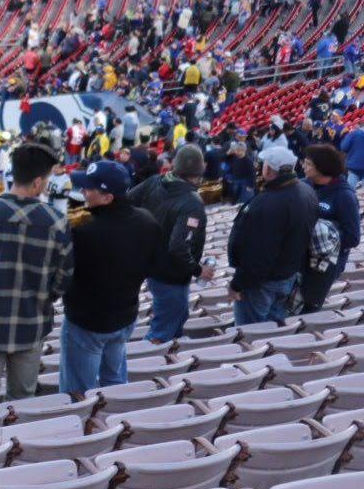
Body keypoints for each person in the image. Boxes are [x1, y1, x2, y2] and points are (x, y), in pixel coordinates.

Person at [0, 141, 73, 407]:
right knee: (23, 403)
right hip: (31, 325)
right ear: (39, 181)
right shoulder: (57, 221)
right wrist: (42, 300)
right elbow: (64, 279)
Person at [58, 160, 167, 395]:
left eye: (89, 189)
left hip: (87, 323)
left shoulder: (84, 233)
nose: (84, 192)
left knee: (78, 393)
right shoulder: (146, 220)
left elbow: (62, 280)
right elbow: (155, 265)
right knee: (115, 384)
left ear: (108, 198)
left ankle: (85, 429)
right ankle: (115, 421)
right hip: (124, 317)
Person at [227, 144, 317, 325]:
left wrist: (238, 284)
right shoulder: (307, 192)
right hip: (287, 276)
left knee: (250, 333)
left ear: (268, 170)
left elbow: (258, 254)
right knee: (274, 329)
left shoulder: (266, 204)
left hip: (261, 283)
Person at [130, 144, 211, 343]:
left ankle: (165, 364)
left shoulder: (155, 181)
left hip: (152, 266)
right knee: (160, 334)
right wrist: (198, 270)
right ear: (201, 169)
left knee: (176, 322)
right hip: (171, 276)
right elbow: (178, 247)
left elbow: (126, 203)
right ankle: (141, 369)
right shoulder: (192, 202)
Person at [300, 142, 360, 312]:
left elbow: (353, 237)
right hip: (300, 259)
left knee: (307, 308)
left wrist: (323, 236)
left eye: (309, 163)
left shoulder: (344, 196)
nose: (304, 166)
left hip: (323, 266)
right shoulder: (304, 185)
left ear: (321, 168)